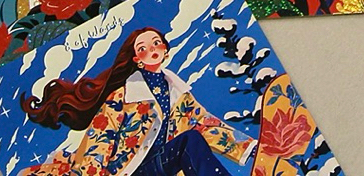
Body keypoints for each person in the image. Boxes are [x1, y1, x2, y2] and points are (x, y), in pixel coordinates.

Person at [21, 27, 255, 176]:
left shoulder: (178, 92)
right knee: (189, 141)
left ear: (165, 50)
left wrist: (250, 148)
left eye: (156, 43)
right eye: (143, 48)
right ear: (137, 60)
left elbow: (204, 124)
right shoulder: (122, 97)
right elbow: (100, 142)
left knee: (191, 139)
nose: (151, 49)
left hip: (162, 166)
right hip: (130, 171)